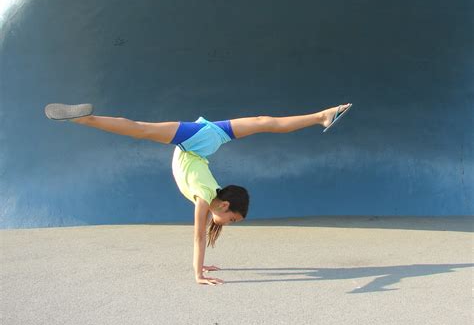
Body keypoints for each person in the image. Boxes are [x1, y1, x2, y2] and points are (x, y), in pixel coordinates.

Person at [45, 102, 352, 285]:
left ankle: (323, 115)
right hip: (196, 142)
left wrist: (202, 265)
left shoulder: (211, 194)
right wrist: (197, 274)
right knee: (140, 128)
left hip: (203, 144)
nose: (226, 224)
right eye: (230, 220)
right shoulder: (205, 198)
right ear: (226, 204)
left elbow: (204, 234)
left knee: (263, 123)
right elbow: (196, 237)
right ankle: (84, 118)